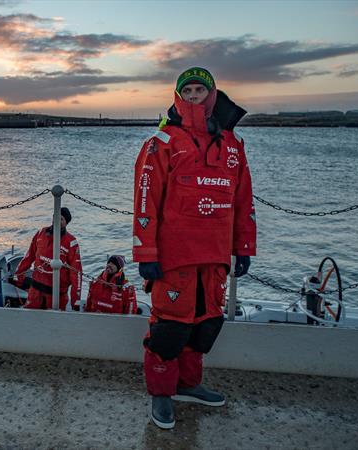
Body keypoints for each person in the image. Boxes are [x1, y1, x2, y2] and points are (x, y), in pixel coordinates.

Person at [133, 67, 256, 429]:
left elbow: (243, 199)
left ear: (212, 93)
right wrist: (146, 254)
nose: (193, 95)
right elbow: (145, 201)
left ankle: (188, 384)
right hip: (174, 258)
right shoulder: (163, 142)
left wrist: (243, 247)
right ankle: (161, 394)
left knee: (206, 325)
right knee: (169, 330)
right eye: (186, 90)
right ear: (177, 96)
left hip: (214, 256)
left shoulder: (233, 145)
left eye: (199, 89)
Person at [12, 207, 82, 311]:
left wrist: (75, 302)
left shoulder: (71, 242)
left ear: (66, 222)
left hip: (57, 294)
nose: (57, 220)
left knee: (55, 323)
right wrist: (18, 277)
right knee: (29, 318)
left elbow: (76, 273)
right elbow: (29, 257)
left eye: (61, 219)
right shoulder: (41, 233)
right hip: (35, 290)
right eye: (55, 217)